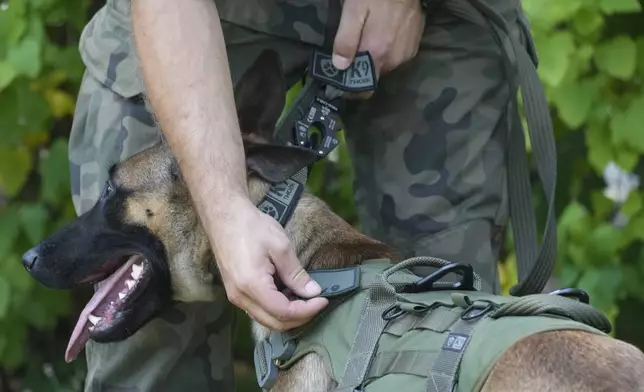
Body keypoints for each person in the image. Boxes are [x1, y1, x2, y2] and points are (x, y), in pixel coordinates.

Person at [68, 0, 542, 390]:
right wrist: (222, 208)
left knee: (453, 336)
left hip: (435, 15)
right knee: (145, 343)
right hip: (218, 14)